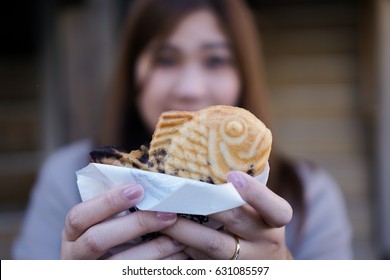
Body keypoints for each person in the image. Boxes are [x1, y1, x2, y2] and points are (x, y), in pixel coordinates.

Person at [12, 0, 352, 260]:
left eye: (215, 60)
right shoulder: (69, 179)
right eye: (166, 59)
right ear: (135, 72)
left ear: (243, 75)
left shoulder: (310, 196)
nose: (190, 89)